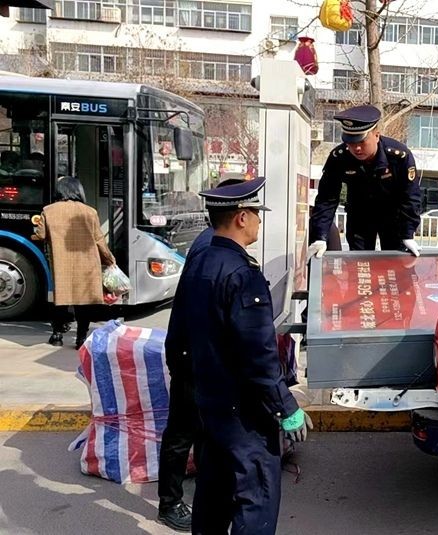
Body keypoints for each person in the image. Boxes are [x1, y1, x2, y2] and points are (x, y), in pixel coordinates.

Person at [167, 177, 311, 534]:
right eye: (256, 213)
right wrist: (286, 408)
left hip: (210, 408)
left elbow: (177, 337)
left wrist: (193, 386)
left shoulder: (199, 263)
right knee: (255, 499)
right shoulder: (242, 274)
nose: (259, 221)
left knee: (212, 499)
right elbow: (259, 356)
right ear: (241, 217)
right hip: (245, 416)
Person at [156, 178, 245, 532]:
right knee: (183, 431)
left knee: (199, 431)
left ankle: (202, 495)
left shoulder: (211, 243)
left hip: (194, 354)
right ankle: (170, 503)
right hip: (193, 356)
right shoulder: (212, 249)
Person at [309, 104, 423, 257]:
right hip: (360, 217)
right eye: (351, 142)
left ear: (376, 135)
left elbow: (410, 196)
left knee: (395, 264)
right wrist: (320, 236)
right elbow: (327, 198)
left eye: (361, 142)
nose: (356, 148)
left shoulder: (399, 156)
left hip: (393, 217)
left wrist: (408, 233)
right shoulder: (339, 157)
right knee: (360, 264)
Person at [32, 176, 116, 348]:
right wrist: (109, 260)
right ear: (78, 191)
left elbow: (41, 235)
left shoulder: (49, 210)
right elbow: (99, 240)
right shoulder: (90, 212)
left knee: (61, 299)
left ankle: (57, 335)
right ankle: (81, 339)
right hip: (87, 263)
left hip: (61, 263)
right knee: (83, 302)